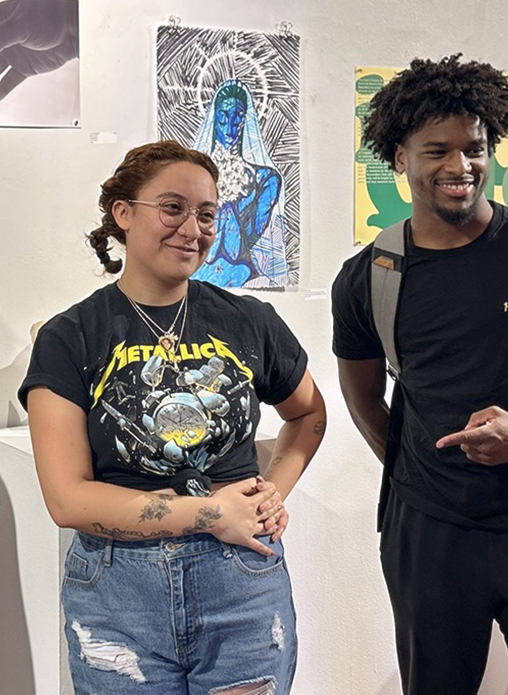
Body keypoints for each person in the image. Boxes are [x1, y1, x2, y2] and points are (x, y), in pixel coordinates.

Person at [332, 54, 508, 695]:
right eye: (437, 150)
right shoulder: (370, 276)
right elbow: (361, 395)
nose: (459, 167)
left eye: (475, 148)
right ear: (400, 156)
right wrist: (421, 466)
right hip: (430, 531)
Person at [20, 140, 325, 694]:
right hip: (118, 594)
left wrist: (270, 493)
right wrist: (210, 512)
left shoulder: (249, 320)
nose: (193, 228)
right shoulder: (71, 336)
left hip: (241, 585)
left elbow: (309, 414)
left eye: (207, 214)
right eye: (173, 207)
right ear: (123, 214)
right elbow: (67, 499)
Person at [191, 80, 286, 288]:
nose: (230, 126)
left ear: (245, 120)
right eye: (223, 116)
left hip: (240, 271)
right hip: (197, 272)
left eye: (237, 118)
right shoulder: (193, 175)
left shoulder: (264, 179)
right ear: (215, 117)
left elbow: (250, 236)